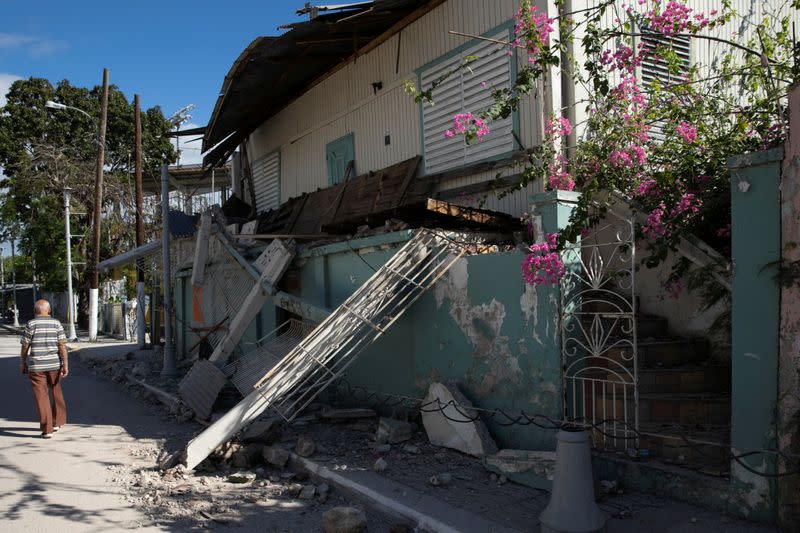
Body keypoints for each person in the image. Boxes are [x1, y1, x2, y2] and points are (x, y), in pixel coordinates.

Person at [20, 299, 68, 438]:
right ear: (49, 310)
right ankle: (57, 423)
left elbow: (25, 346)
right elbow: (62, 346)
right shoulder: (56, 323)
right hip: (54, 364)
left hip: (37, 367)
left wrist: (22, 362)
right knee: (56, 391)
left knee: (41, 396)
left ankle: (47, 429)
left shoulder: (31, 324)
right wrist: (65, 364)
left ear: (36, 311)